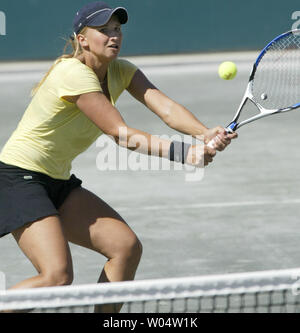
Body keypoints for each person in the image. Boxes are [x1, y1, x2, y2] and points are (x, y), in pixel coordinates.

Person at [0, 1, 237, 312]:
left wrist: (204, 134)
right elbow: (120, 134)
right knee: (57, 277)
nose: (114, 36)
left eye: (117, 29)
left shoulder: (121, 71)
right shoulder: (72, 73)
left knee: (125, 248)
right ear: (82, 39)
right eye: (104, 30)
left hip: (56, 180)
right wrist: (186, 153)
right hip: (18, 179)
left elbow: (165, 108)